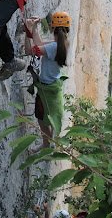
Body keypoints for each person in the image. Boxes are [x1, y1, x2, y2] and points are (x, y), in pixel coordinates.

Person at [25, 12, 71, 149]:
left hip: (46, 88)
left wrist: (27, 32)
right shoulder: (63, 44)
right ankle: (48, 144)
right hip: (52, 85)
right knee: (46, 117)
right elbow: (40, 45)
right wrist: (34, 28)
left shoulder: (54, 47)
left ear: (52, 28)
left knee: (42, 119)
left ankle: (46, 145)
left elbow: (29, 51)